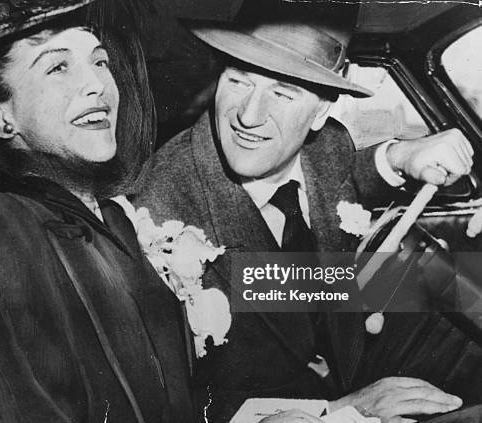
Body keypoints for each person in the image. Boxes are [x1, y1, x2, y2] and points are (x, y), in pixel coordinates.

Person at [133, 2, 480, 422]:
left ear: (320, 112)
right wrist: (338, 410)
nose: (249, 116)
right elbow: (163, 398)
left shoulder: (329, 144)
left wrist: (399, 156)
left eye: (282, 93)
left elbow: (342, 176)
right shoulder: (157, 215)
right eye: (239, 81)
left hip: (347, 349)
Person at [0, 1, 194, 422]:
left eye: (100, 61)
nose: (98, 85)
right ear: (0, 119)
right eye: (57, 68)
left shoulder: (115, 221)